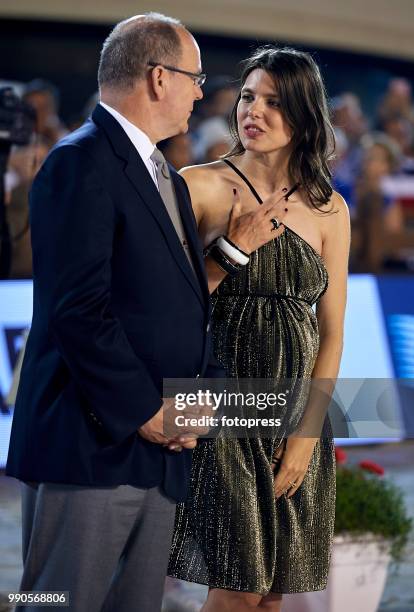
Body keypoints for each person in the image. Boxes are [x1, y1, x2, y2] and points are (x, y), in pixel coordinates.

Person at [6, 12, 226, 612]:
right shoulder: (79, 162)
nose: (201, 92)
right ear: (159, 78)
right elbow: (78, 310)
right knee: (59, 602)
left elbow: (168, 301)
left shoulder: (167, 177)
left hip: (157, 447)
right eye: (194, 77)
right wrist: (146, 412)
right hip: (93, 446)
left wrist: (189, 400)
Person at [168, 46, 350, 612]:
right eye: (249, 96)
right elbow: (168, 304)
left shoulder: (329, 209)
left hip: (297, 418)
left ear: (303, 116)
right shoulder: (197, 186)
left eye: (274, 101)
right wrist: (230, 248)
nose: (255, 111)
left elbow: (333, 334)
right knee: (237, 592)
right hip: (224, 410)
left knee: (272, 596)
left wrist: (304, 437)